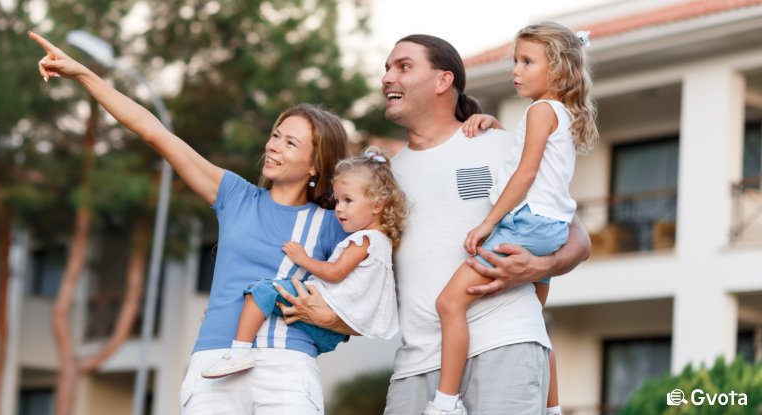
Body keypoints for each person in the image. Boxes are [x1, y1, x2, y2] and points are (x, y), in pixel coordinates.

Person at [29, 32, 352, 413]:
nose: (273, 146)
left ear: (316, 164)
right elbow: (154, 132)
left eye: (290, 143)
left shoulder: (335, 225)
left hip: (285, 365)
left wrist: (331, 318)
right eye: (275, 135)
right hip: (215, 361)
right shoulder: (236, 196)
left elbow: (373, 304)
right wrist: (83, 74)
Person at [274, 34, 592, 415]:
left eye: (403, 67)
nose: (388, 77)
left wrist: (542, 266)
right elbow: (372, 273)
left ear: (443, 81)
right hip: (416, 366)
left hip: (504, 347)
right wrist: (340, 319)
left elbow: (574, 231)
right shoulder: (382, 179)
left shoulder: (498, 144)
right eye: (387, 68)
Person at [428, 22, 598, 415]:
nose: (515, 71)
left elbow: (525, 174)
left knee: (449, 302)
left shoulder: (540, 110)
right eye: (515, 61)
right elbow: (529, 154)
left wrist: (488, 223)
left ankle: (445, 402)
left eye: (526, 61)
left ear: (557, 69)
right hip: (550, 231)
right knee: (532, 323)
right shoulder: (561, 113)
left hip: (524, 225)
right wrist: (496, 125)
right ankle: (552, 408)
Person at [201, 147, 407, 379]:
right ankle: (232, 315)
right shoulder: (383, 242)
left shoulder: (363, 240)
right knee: (268, 301)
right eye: (338, 200)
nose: (339, 208)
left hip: (326, 311)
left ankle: (238, 353)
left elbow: (335, 272)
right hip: (333, 328)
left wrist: (303, 259)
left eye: (348, 200)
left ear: (377, 205)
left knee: (262, 291)